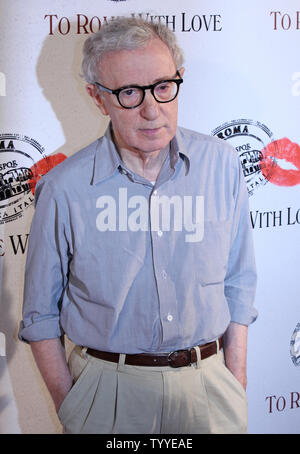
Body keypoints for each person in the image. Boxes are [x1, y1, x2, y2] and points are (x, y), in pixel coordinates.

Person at [19, 17, 257, 434]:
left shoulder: (222, 165)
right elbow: (39, 315)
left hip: (211, 390)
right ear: (98, 98)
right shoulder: (63, 189)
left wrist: (234, 379)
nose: (152, 110)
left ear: (179, 79)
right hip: (107, 399)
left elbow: (238, 282)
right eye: (129, 93)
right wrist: (73, 407)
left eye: (164, 87)